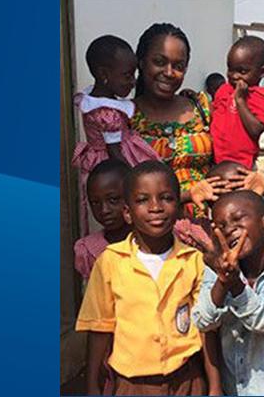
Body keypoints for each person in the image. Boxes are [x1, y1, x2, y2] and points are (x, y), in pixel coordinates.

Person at [75, 161, 214, 396]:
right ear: (128, 213)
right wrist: (92, 385)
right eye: (142, 200)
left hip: (187, 380)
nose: (155, 208)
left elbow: (205, 328)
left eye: (166, 198)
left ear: (178, 207)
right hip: (133, 385)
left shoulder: (193, 260)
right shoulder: (110, 261)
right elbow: (100, 327)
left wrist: (215, 385)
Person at [191, 190, 264, 395]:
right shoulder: (217, 271)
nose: (229, 230)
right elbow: (203, 321)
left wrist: (234, 284)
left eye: (237, 219)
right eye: (221, 226)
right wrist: (222, 282)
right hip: (231, 386)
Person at [72, 35, 159, 235]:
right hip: (114, 164)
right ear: (104, 74)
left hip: (102, 160)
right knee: (123, 209)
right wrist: (135, 181)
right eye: (127, 75)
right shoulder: (106, 111)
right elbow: (114, 151)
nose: (133, 81)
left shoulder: (94, 99)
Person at [131, 23, 213, 217]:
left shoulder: (201, 107)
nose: (169, 72)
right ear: (141, 62)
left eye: (178, 66)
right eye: (159, 62)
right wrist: (186, 196)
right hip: (153, 232)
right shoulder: (124, 118)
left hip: (204, 227)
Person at [211, 36, 264, 168]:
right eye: (230, 69)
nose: (234, 76)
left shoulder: (263, 97)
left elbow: (256, 129)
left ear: (262, 72)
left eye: (242, 71)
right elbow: (213, 115)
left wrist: (240, 100)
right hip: (215, 163)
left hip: (242, 167)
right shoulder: (224, 90)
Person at [73, 159, 131, 281]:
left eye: (113, 200)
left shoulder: (152, 241)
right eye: (95, 203)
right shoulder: (88, 251)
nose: (104, 210)